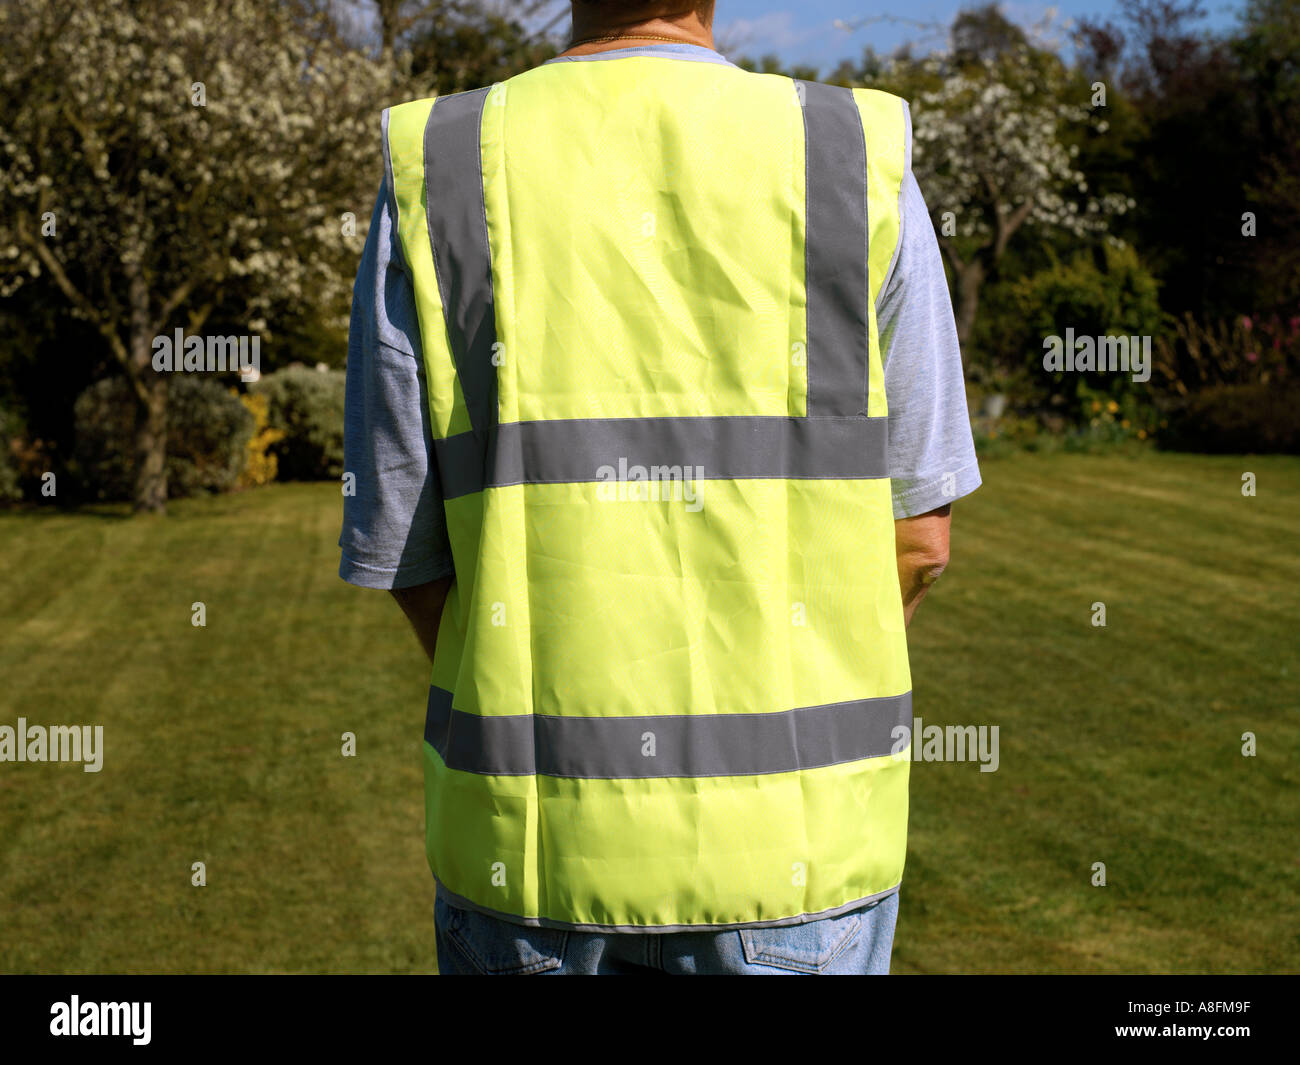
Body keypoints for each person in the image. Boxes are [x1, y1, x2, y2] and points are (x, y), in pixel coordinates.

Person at [339, 0, 980, 975]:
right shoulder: (851, 149)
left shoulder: (443, 160)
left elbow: (405, 549)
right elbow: (918, 539)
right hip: (797, 868)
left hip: (531, 860)